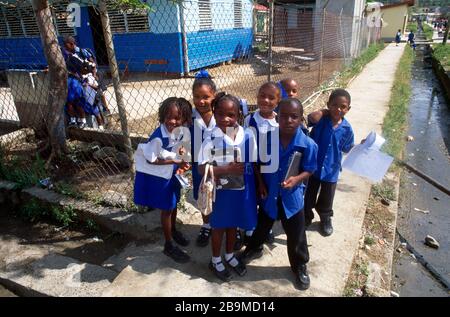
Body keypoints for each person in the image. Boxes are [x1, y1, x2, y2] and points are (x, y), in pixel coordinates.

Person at [239, 98, 318, 290]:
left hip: (292, 198)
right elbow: (257, 163)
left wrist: (297, 179)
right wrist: (260, 184)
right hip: (270, 194)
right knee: (262, 225)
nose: (288, 120)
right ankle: (254, 248)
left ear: (301, 119)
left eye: (294, 117)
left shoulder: (307, 144)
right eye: (284, 116)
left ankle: (299, 265)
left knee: (296, 234)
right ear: (278, 117)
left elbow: (310, 169)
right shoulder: (267, 140)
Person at [198, 93, 259, 282]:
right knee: (219, 226)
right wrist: (225, 169)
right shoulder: (209, 139)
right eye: (220, 114)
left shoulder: (247, 135)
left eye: (231, 114)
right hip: (221, 193)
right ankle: (215, 260)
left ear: (238, 115)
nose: (225, 119)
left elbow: (253, 163)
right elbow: (201, 168)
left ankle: (230, 255)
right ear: (214, 113)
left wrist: (259, 185)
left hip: (241, 191)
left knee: (233, 225)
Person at [134, 97, 192, 263]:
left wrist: (182, 162)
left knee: (173, 204)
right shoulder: (158, 137)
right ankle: (168, 243)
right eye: (168, 117)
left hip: (172, 173)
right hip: (161, 177)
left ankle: (172, 230)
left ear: (184, 120)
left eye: (177, 118)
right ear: (162, 116)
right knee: (167, 209)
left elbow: (180, 148)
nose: (172, 121)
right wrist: (175, 161)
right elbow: (151, 159)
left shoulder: (180, 130)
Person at [304, 89, 354, 237]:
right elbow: (310, 118)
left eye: (343, 107)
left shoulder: (347, 129)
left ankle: (325, 218)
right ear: (328, 105)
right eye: (334, 105)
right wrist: (322, 111)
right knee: (309, 194)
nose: (338, 109)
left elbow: (347, 148)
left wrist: (359, 146)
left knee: (327, 197)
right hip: (313, 166)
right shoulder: (321, 121)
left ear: (348, 109)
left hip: (331, 169)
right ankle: (306, 216)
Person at [243, 82, 281, 246]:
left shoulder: (280, 121)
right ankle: (251, 226)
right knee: (252, 195)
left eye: (271, 98)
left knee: (268, 197)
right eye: (262, 96)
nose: (265, 100)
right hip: (252, 167)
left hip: (272, 169)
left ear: (278, 102)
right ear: (257, 97)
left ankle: (266, 227)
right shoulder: (249, 119)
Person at [190, 70, 218, 248]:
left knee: (221, 196)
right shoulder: (189, 117)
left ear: (214, 96)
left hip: (220, 165)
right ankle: (207, 225)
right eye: (197, 96)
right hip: (199, 166)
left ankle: (226, 225)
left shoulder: (223, 113)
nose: (201, 101)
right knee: (203, 196)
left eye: (206, 97)